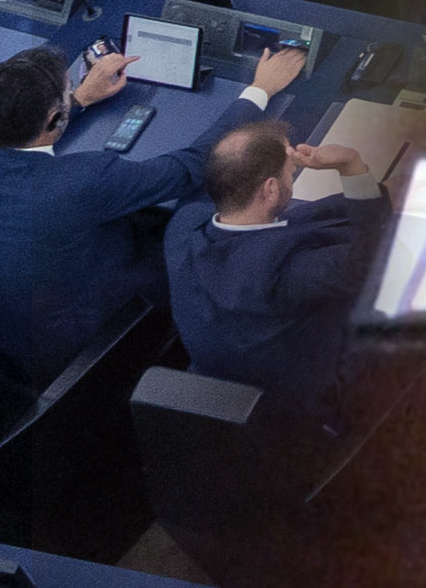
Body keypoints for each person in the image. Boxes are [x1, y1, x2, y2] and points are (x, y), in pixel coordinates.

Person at [0, 35, 317, 382]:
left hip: (5, 335)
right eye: (67, 91)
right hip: (86, 345)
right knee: (199, 210)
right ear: (53, 117)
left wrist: (81, 98)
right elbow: (192, 166)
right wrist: (259, 91)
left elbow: (0, 136)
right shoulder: (84, 180)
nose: (72, 92)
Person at [162, 116, 389, 412]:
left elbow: (284, 222)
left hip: (228, 376)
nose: (293, 169)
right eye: (290, 168)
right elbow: (370, 260)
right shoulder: (282, 272)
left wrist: (374, 192)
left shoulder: (183, 227)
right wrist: (351, 166)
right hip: (308, 397)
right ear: (269, 189)